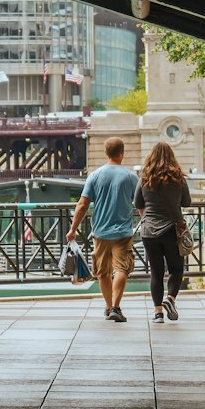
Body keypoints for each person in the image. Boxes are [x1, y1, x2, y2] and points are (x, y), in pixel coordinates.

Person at [67, 137, 136, 322]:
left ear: (107, 153)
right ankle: (116, 306)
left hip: (101, 232)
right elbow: (142, 204)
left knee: (102, 272)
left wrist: (73, 228)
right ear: (122, 153)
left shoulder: (95, 176)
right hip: (123, 233)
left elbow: (82, 205)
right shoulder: (131, 177)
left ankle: (108, 306)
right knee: (122, 269)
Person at [134, 141, 191, 323]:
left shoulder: (145, 177)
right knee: (176, 270)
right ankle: (170, 298)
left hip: (149, 231)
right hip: (172, 230)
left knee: (156, 272)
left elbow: (137, 203)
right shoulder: (178, 177)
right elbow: (187, 202)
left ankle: (158, 313)